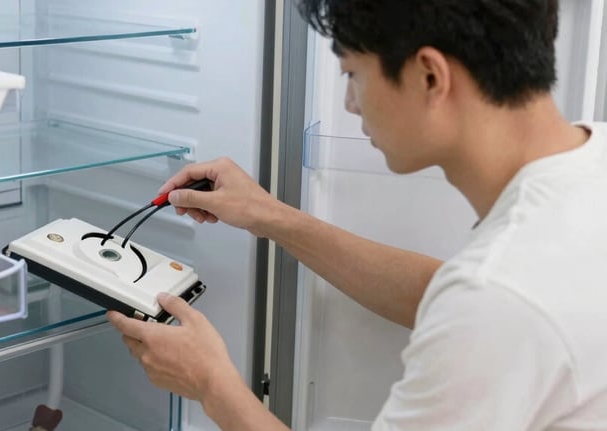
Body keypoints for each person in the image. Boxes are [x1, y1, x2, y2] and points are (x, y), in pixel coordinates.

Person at [107, 0, 607, 429]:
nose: (348, 103)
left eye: (353, 74)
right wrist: (271, 217)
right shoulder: (589, 162)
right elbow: (448, 293)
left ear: (429, 75)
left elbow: (484, 304)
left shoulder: (495, 298)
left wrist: (211, 385)